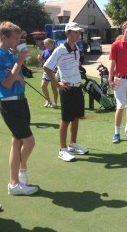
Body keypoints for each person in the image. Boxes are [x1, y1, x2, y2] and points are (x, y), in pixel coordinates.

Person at [0, 21, 39, 196]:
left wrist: (16, 69)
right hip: (9, 103)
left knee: (17, 142)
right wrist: (18, 63)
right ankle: (19, 173)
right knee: (29, 142)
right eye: (15, 38)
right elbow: (8, 83)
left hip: (21, 101)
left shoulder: (11, 54)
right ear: (4, 38)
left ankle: (14, 183)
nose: (18, 41)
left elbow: (21, 82)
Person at [43, 22, 89, 162]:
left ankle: (73, 145)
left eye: (79, 32)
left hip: (77, 87)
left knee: (76, 117)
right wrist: (57, 84)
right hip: (67, 88)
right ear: (68, 33)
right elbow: (47, 67)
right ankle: (62, 150)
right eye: (75, 32)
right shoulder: (60, 50)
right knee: (66, 120)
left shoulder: (76, 49)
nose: (78, 34)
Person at [109, 20, 127, 143]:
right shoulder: (116, 44)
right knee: (120, 106)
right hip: (119, 80)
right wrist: (110, 78)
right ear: (124, 28)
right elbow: (112, 62)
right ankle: (116, 132)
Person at [37, 38, 58, 108]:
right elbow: (42, 61)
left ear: (52, 44)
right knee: (43, 86)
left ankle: (55, 102)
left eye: (47, 44)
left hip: (54, 71)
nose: (45, 45)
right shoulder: (45, 51)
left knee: (54, 87)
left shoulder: (56, 51)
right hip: (46, 71)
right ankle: (48, 100)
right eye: (45, 44)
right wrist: (39, 59)